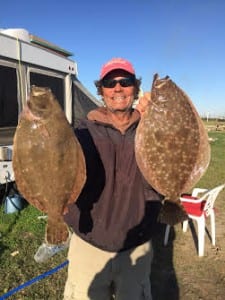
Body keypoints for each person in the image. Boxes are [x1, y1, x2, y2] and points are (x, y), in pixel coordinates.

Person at [63, 57, 163, 300]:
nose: (117, 88)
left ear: (135, 89)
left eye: (125, 81)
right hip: (89, 245)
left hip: (137, 246)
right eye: (110, 82)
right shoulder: (82, 131)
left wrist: (157, 115)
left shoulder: (152, 129)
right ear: (102, 90)